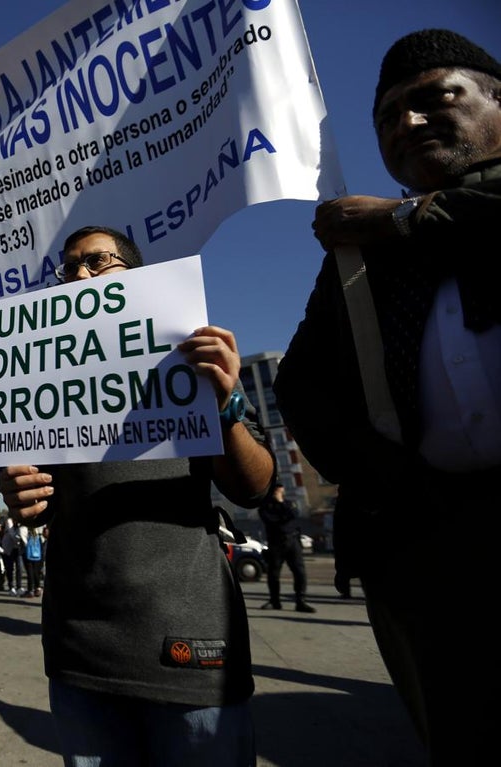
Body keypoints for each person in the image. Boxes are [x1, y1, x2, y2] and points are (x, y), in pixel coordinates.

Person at [273, 29, 501, 762]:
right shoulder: (358, 260)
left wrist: (407, 218)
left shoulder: (389, 225)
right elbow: (303, 385)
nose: (407, 123)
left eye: (436, 99)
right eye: (388, 115)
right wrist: (389, 477)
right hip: (432, 548)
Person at [1, 225, 275, 766]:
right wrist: (20, 493)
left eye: (97, 261)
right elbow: (42, 499)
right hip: (81, 652)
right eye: (70, 266)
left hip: (189, 643)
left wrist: (223, 408)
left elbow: (256, 484)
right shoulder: (46, 379)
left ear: (136, 274)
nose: (80, 274)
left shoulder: (191, 357)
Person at [257, 483, 314, 613]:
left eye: (280, 487)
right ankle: (274, 601)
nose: (278, 490)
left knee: (299, 572)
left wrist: (281, 503)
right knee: (274, 574)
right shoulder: (266, 506)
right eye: (275, 488)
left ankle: (301, 601)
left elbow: (293, 514)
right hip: (276, 543)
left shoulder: (289, 503)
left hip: (292, 541)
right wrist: (282, 514)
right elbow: (271, 520)